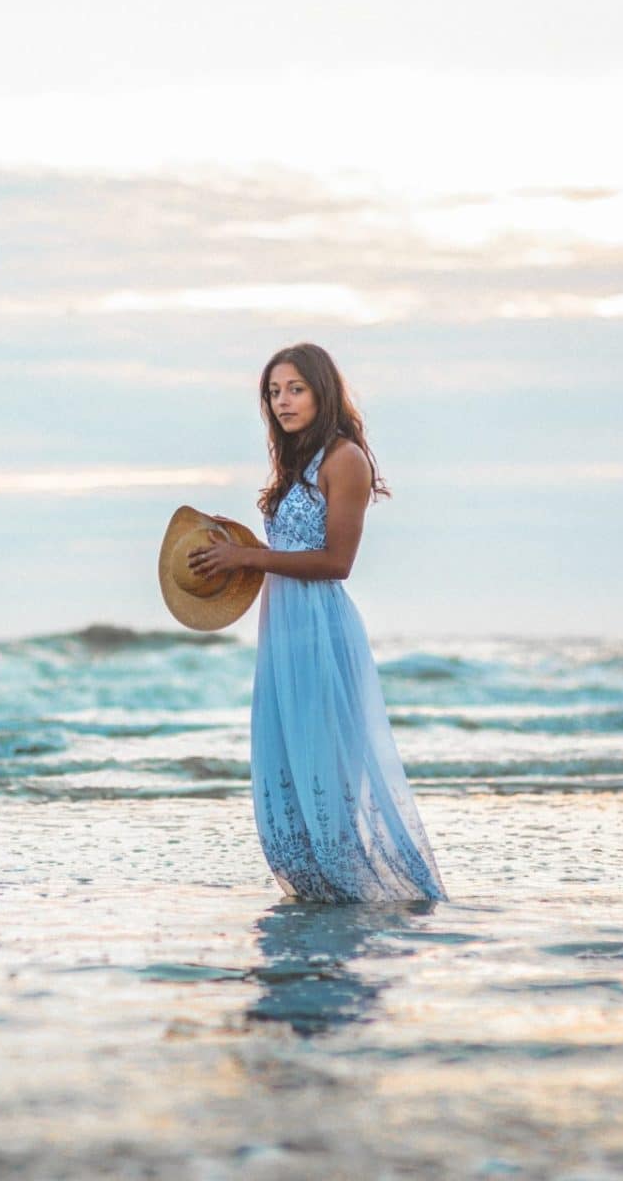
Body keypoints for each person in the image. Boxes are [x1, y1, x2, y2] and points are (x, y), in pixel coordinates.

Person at [187, 343, 449, 903]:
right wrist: (239, 547)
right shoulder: (293, 463)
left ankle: (362, 905)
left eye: (295, 389)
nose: (282, 401)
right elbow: (285, 546)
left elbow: (337, 562)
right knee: (286, 772)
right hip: (281, 630)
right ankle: (319, 901)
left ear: (322, 391)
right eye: (274, 392)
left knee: (325, 776)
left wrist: (250, 558)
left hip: (320, 632)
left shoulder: (344, 459)